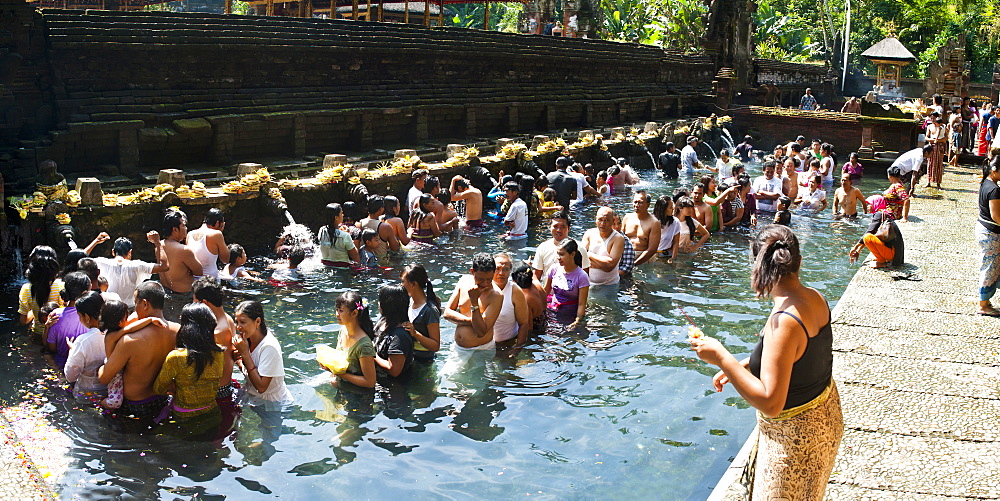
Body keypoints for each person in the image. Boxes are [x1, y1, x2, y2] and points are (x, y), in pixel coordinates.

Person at [690, 225, 842, 500]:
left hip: (794, 441)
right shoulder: (815, 297)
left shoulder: (783, 322)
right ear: (799, 261)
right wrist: (744, 366)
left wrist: (722, 358)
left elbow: (772, 404)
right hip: (825, 420)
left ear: (757, 265)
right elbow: (799, 354)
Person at [98, 281, 179, 419]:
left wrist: (102, 367)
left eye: (136, 303)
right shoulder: (178, 331)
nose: (135, 309)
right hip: (163, 399)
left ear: (145, 304)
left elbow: (105, 378)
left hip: (134, 405)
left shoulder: (130, 341)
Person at [153, 302, 225, 424]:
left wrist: (174, 386)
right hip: (213, 414)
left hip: (184, 417)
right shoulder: (219, 352)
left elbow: (158, 389)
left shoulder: (176, 357)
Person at [232, 300, 293, 407]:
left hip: (275, 405)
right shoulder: (247, 340)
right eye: (236, 322)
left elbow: (261, 387)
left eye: (243, 322)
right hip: (254, 399)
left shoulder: (269, 347)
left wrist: (245, 354)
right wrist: (238, 360)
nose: (238, 327)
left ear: (258, 322)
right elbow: (248, 370)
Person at [444, 253, 504, 356]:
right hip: (458, 348)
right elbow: (447, 313)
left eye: (489, 279)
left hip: (481, 350)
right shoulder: (463, 281)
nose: (485, 283)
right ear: (472, 272)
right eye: (480, 279)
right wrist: (472, 322)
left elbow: (481, 332)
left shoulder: (496, 295)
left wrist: (474, 301)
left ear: (494, 273)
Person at [95, 232, 169, 308]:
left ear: (113, 252)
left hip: (108, 307)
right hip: (129, 309)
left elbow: (82, 258)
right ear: (130, 252)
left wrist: (96, 241)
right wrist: (158, 243)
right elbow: (164, 267)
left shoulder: (101, 262)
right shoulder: (137, 265)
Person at [191, 276, 237, 400]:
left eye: (195, 303)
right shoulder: (228, 319)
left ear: (204, 303)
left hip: (216, 391)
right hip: (226, 385)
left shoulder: (216, 332)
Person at [323, 291, 377, 394]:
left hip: (360, 398)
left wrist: (339, 374)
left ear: (354, 313)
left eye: (341, 311)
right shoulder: (343, 330)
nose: (337, 314)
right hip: (343, 389)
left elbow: (370, 382)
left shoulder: (364, 345)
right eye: (337, 310)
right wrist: (331, 370)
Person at [159, 209, 204, 322]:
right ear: (175, 229)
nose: (186, 228)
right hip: (183, 297)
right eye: (183, 226)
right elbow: (199, 272)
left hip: (166, 294)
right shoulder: (184, 250)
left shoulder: (159, 245)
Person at [64, 291, 107, 399]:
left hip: (86, 393)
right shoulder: (114, 333)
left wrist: (72, 351)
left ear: (86, 317)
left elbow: (70, 376)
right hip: (109, 392)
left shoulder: (82, 342)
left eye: (79, 316)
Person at [47, 271, 92, 371]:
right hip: (84, 368)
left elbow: (52, 348)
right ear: (85, 293)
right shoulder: (91, 316)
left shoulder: (55, 314)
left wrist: (46, 327)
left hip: (60, 365)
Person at [18, 246, 64, 344]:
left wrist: (34, 311)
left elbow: (23, 321)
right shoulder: (61, 285)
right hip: (58, 337)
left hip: (37, 336)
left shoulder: (27, 288)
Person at [543, 239, 589, 328]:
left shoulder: (582, 276)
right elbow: (545, 292)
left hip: (569, 314)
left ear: (572, 254)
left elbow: (581, 304)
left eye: (562, 254)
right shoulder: (554, 269)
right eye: (558, 254)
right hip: (553, 308)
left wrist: (577, 321)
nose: (558, 257)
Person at [401, 264, 442, 362]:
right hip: (410, 358)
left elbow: (435, 346)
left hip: (424, 362)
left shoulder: (430, 310)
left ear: (413, 284)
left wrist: (415, 333)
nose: (401, 285)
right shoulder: (408, 302)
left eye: (403, 281)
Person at [849, 196, 904, 268]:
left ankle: (881, 262)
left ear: (876, 204)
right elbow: (873, 232)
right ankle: (883, 259)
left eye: (870, 204)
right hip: (896, 256)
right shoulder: (884, 214)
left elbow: (869, 233)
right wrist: (858, 250)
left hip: (892, 255)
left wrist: (855, 247)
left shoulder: (879, 214)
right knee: (869, 237)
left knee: (867, 237)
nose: (868, 206)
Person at [532, 212, 590, 279]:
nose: (559, 230)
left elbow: (585, 277)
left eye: (563, 227)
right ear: (550, 227)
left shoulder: (579, 248)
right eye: (555, 226)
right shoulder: (543, 247)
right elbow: (536, 276)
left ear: (569, 228)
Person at [976, 155, 1000, 315]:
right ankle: (983, 305)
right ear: (995, 170)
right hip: (991, 233)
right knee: (990, 267)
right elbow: (996, 216)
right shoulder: (994, 190)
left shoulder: (986, 183)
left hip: (983, 229)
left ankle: (985, 301)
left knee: (990, 266)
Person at [373, 285, 414, 379]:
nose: (378, 303)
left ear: (387, 305)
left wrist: (371, 353)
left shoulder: (400, 336)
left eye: (380, 301)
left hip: (393, 386)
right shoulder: (383, 321)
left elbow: (393, 370)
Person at [492, 253, 531, 349]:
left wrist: (517, 348)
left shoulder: (515, 291)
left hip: (507, 344)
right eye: (497, 269)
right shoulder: (484, 287)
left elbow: (524, 323)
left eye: (506, 269)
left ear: (510, 271)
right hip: (484, 345)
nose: (501, 273)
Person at [580, 207, 625, 286]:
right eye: (600, 220)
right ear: (596, 219)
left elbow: (609, 266)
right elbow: (580, 258)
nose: (603, 223)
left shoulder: (618, 238)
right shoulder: (589, 233)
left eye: (607, 220)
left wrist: (589, 255)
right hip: (587, 283)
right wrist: (602, 264)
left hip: (609, 285)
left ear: (613, 221)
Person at [186, 208, 229, 279]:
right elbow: (225, 259)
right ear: (218, 223)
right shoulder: (216, 234)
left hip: (194, 281)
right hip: (211, 281)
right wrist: (220, 231)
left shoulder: (189, 234)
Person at [623, 191, 662, 267]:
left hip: (644, 260)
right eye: (635, 202)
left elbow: (652, 250)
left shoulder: (654, 223)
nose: (636, 205)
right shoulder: (627, 218)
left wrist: (634, 264)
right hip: (626, 257)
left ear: (648, 205)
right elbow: (619, 239)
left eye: (640, 203)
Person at [318, 203, 360, 267]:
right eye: (341, 213)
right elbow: (355, 256)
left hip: (325, 266)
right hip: (342, 269)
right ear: (336, 217)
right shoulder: (345, 235)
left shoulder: (322, 230)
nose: (343, 215)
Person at [359, 195, 400, 259]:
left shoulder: (360, 223)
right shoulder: (385, 227)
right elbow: (395, 248)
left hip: (365, 259)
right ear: (381, 209)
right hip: (381, 262)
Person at [512, 263, 547, 335]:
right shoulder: (538, 284)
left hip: (536, 333)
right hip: (545, 323)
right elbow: (533, 274)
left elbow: (528, 329)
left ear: (514, 281)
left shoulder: (525, 300)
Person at [654, 196, 681, 263]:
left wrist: (673, 258)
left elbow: (676, 242)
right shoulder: (652, 221)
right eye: (670, 207)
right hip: (652, 255)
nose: (673, 208)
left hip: (668, 254)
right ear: (663, 209)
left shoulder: (675, 222)